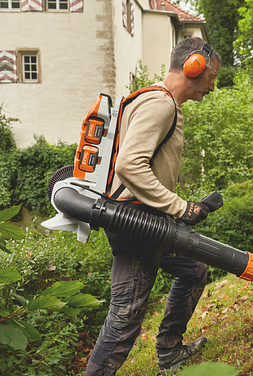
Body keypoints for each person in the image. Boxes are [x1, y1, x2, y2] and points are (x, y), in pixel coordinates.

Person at [84, 37, 222, 376]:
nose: (213, 86)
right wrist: (179, 207)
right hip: (137, 224)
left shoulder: (156, 101)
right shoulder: (160, 104)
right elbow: (129, 166)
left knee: (194, 270)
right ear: (194, 67)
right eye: (212, 76)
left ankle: (170, 352)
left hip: (149, 220)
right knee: (126, 315)